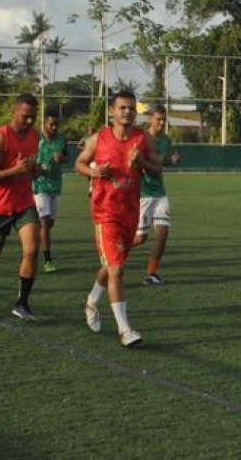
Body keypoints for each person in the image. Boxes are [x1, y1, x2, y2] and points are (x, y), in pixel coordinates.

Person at [75, 90, 161, 347]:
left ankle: (91, 301)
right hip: (105, 213)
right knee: (117, 269)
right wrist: (94, 172)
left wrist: (142, 161)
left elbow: (157, 171)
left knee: (111, 266)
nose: (128, 112)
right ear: (112, 111)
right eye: (122, 108)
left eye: (132, 108)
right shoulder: (98, 138)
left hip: (130, 212)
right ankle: (125, 330)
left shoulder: (142, 138)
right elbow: (79, 163)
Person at [0, 94, 42, 323]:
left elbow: (29, 168)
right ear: (14, 112)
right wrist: (15, 170)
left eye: (34, 117)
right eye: (25, 117)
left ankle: (22, 303)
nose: (30, 121)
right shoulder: (0, 138)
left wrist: (36, 170)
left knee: (32, 249)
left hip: (24, 203)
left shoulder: (35, 136)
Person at [133, 104, 180, 285]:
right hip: (143, 194)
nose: (161, 122)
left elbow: (161, 163)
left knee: (163, 233)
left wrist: (171, 161)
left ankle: (151, 273)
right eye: (158, 119)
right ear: (150, 119)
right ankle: (114, 250)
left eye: (163, 119)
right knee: (140, 238)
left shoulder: (166, 141)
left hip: (160, 193)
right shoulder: (141, 138)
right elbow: (135, 162)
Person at [33, 109, 68, 273]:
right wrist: (36, 169)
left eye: (56, 124)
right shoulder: (36, 139)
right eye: (51, 124)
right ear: (44, 123)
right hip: (39, 185)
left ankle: (34, 233)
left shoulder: (61, 139)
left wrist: (61, 158)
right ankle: (47, 260)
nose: (54, 127)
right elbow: (27, 159)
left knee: (49, 223)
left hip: (56, 185)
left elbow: (67, 157)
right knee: (45, 222)